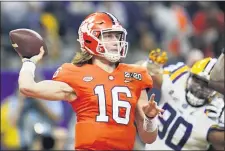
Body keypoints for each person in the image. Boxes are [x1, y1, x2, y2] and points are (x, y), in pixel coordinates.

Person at [17, 12, 164, 150]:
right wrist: (29, 62)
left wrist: (150, 119)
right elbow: (27, 87)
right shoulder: (75, 73)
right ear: (90, 39)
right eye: (108, 36)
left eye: (117, 36)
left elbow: (149, 138)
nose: (115, 42)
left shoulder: (135, 75)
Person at [141, 49, 224, 150]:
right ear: (190, 74)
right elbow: (143, 72)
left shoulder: (217, 111)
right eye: (197, 80)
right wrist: (149, 66)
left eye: (207, 86)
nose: (199, 88)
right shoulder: (179, 78)